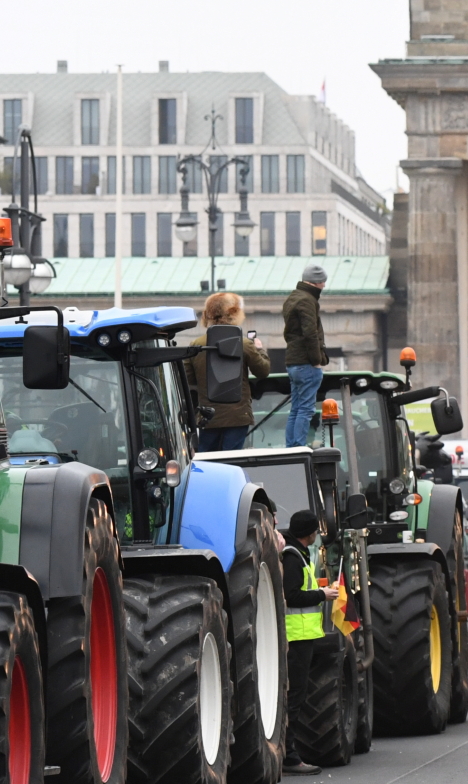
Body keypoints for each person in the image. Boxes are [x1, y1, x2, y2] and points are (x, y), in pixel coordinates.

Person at [282, 511, 339, 775]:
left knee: (294, 697)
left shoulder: (296, 554)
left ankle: (288, 754)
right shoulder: (293, 558)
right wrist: (322, 594)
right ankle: (290, 757)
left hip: (299, 637)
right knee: (294, 698)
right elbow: (291, 596)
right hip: (297, 638)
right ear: (311, 533)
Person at [186, 291, 272, 452]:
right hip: (237, 416)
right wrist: (260, 350)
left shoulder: (196, 345)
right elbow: (263, 371)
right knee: (232, 460)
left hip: (208, 416)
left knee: (207, 461)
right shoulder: (245, 343)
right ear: (234, 313)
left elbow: (188, 379)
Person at [282, 264, 330, 448]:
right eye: (322, 282)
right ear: (316, 282)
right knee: (306, 409)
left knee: (296, 409)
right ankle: (299, 447)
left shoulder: (292, 298)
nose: (324, 286)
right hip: (306, 363)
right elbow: (310, 333)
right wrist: (317, 360)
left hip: (293, 362)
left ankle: (291, 447)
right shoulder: (307, 300)